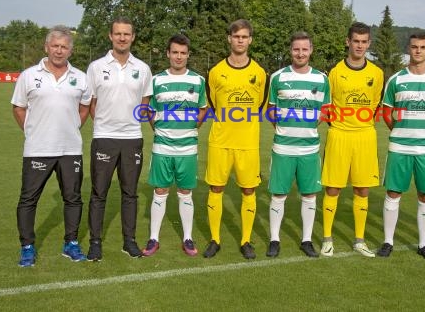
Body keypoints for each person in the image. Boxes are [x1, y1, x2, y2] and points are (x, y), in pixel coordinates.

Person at [11, 26, 92, 267]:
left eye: (64, 46)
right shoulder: (28, 75)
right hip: (38, 149)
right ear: (46, 47)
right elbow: (18, 107)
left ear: (70, 50)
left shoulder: (80, 77)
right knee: (28, 199)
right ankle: (27, 246)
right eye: (55, 46)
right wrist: (32, 130)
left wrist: (74, 125)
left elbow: (86, 106)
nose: (59, 50)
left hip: (70, 150)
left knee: (73, 199)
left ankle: (71, 243)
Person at [377, 33, 425, 260]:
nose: (418, 51)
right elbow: (387, 112)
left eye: (423, 47)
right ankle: (388, 242)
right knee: (393, 193)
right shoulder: (396, 79)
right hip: (400, 147)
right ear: (408, 49)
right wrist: (400, 131)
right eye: (414, 47)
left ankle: (423, 244)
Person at [86, 16, 153, 260]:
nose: (122, 38)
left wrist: (128, 124)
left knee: (130, 193)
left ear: (132, 37)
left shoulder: (143, 68)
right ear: (110, 36)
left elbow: (145, 103)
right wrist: (105, 125)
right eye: (118, 34)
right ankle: (95, 242)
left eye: (127, 34)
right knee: (99, 193)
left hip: (132, 138)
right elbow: (91, 102)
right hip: (104, 138)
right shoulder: (96, 67)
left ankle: (129, 241)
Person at [203, 19, 268, 259]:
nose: (240, 40)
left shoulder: (259, 73)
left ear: (250, 40)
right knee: (216, 188)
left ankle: (246, 240)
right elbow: (212, 104)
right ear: (229, 39)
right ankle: (215, 239)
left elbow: (260, 104)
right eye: (236, 36)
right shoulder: (215, 71)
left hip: (247, 143)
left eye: (244, 36)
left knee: (249, 190)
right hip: (220, 141)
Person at [320, 22, 384, 257]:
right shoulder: (335, 72)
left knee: (362, 189)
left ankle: (359, 240)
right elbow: (327, 106)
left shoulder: (376, 73)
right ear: (348, 42)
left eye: (364, 41)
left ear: (369, 43)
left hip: (365, 136)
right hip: (339, 135)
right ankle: (327, 238)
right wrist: (340, 125)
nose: (359, 45)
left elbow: (376, 104)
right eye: (355, 41)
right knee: (333, 188)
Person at [141, 34, 207, 257]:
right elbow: (148, 109)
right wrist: (159, 129)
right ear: (168, 53)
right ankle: (153, 239)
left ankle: (187, 238)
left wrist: (191, 128)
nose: (179, 57)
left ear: (188, 55)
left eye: (183, 53)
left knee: (185, 192)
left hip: (188, 147)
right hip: (162, 146)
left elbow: (203, 109)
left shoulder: (198, 81)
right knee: (160, 191)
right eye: (175, 52)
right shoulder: (157, 80)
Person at [265, 32, 330, 258]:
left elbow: (326, 109)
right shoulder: (278, 77)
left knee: (310, 195)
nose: (300, 53)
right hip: (283, 147)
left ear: (311, 50)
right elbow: (271, 109)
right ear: (290, 51)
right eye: (296, 49)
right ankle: (274, 239)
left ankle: (306, 240)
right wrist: (283, 127)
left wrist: (311, 124)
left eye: (304, 49)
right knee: (278, 195)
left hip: (310, 148)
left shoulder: (322, 79)